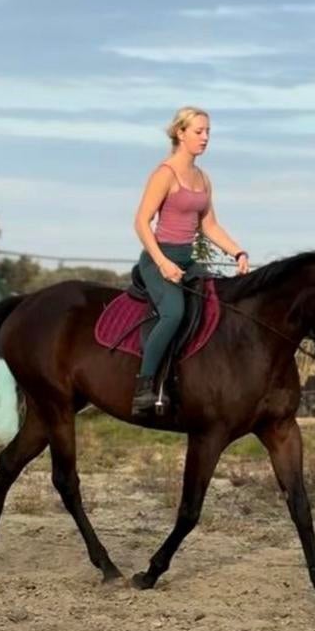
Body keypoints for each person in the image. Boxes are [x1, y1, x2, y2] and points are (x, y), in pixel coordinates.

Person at [132, 106, 250, 415]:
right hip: (159, 259)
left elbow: (209, 226)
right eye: (199, 131)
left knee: (219, 304)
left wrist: (238, 252)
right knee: (173, 312)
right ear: (180, 133)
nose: (205, 137)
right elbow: (141, 222)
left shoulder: (202, 179)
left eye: (208, 131)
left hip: (188, 259)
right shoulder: (165, 174)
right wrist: (162, 263)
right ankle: (144, 386)